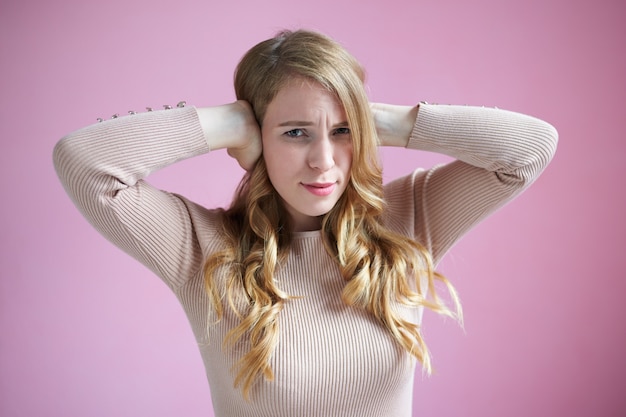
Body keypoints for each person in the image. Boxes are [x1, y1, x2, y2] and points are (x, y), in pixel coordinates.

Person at [53, 29, 558, 416]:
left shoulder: (409, 217)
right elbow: (85, 163)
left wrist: (376, 120)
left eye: (342, 131)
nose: (323, 160)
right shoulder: (201, 246)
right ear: (258, 135)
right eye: (294, 133)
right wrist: (229, 125)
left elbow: (529, 150)